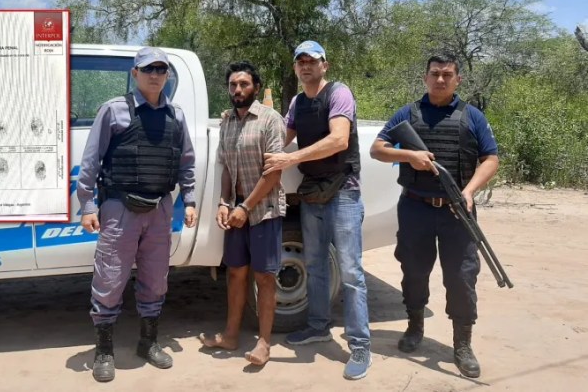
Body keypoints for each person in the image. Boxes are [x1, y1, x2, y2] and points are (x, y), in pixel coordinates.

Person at [369, 53, 499, 378]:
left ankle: (462, 344)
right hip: (415, 208)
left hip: (458, 210)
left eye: (447, 74)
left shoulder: (472, 116)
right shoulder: (408, 114)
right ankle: (415, 327)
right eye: (435, 73)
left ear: (458, 79)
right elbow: (377, 149)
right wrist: (408, 155)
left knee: (461, 277)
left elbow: (491, 159)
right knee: (413, 272)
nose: (440, 79)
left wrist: (469, 191)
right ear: (425, 77)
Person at [76, 47, 198, 383]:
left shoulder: (176, 115)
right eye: (148, 69)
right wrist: (87, 206)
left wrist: (189, 200)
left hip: (159, 209)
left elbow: (186, 162)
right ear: (135, 74)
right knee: (110, 278)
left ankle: (148, 342)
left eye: (161, 69)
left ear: (167, 75)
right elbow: (91, 162)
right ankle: (104, 350)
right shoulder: (113, 110)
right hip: (120, 208)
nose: (155, 75)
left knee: (156, 280)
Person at [263, 40, 371, 380]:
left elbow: (339, 140)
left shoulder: (339, 94)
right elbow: (280, 136)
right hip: (313, 192)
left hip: (344, 192)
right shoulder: (298, 102)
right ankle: (318, 327)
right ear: (296, 67)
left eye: (312, 60)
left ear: (325, 65)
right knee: (315, 265)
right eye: (301, 61)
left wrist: (291, 158)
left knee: (351, 272)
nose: (306, 66)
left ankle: (360, 344)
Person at [199, 61, 286, 366]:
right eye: (233, 85)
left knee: (264, 277)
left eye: (244, 84)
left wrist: (245, 207)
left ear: (256, 88)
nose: (237, 89)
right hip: (236, 211)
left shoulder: (270, 120)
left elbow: (274, 172)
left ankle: (264, 343)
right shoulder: (227, 122)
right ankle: (231, 335)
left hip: (263, 210)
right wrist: (224, 203)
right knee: (235, 272)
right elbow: (226, 167)